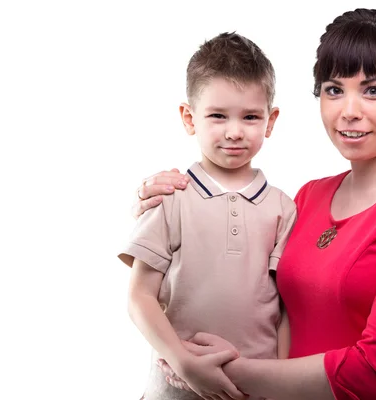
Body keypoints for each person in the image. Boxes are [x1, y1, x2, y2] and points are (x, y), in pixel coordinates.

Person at [133, 8, 376, 400]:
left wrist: (219, 373)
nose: (349, 110)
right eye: (333, 89)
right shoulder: (309, 197)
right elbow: (236, 267)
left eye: (373, 89)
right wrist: (162, 200)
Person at [119, 32, 296, 400]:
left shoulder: (282, 208)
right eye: (217, 116)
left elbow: (285, 309)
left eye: (250, 116)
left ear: (270, 120)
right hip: (175, 388)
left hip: (255, 390)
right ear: (189, 117)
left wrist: (281, 383)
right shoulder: (170, 196)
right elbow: (139, 297)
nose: (234, 132)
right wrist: (183, 362)